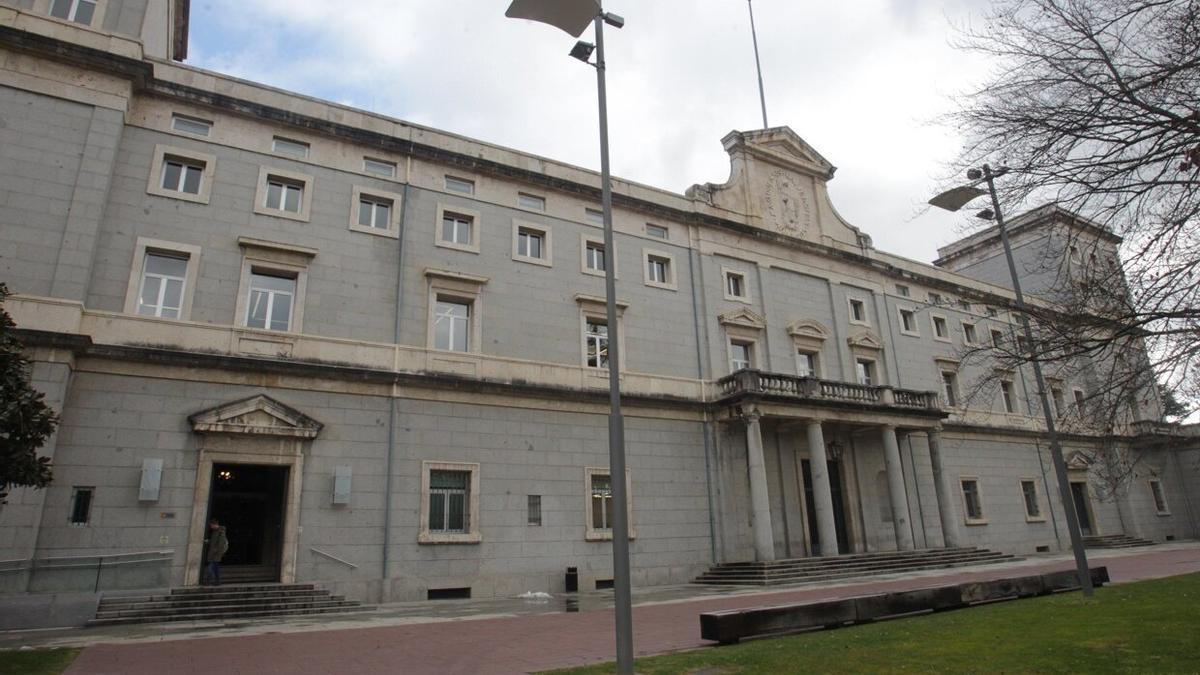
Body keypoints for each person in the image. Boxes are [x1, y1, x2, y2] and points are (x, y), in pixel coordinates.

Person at [203, 518, 229, 586]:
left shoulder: (221, 532)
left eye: (211, 525)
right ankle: (218, 581)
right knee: (215, 568)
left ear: (215, 524)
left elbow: (221, 543)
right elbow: (213, 541)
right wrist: (208, 541)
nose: (210, 527)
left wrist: (216, 550)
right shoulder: (214, 532)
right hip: (212, 553)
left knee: (210, 568)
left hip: (216, 554)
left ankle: (208, 582)